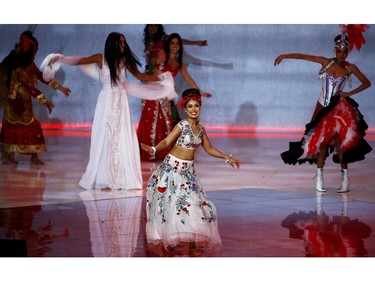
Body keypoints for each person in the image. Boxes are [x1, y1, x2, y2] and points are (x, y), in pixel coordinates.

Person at [41, 32, 177, 191]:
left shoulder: (124, 61)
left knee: (121, 137)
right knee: (105, 137)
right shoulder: (101, 58)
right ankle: (103, 178)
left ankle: (120, 177)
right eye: (120, 43)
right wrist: (60, 58)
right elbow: (79, 60)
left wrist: (161, 79)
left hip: (120, 101)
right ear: (112, 44)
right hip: (106, 101)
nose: (123, 46)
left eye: (124, 43)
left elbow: (140, 75)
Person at [140, 88, 240, 256]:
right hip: (171, 170)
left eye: (196, 106)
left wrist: (227, 157)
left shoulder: (200, 130)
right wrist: (154, 149)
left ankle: (192, 245)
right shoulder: (182, 125)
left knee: (193, 205)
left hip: (188, 173)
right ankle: (169, 239)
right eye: (190, 107)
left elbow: (209, 148)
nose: (193, 109)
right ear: (185, 109)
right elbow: (167, 141)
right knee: (171, 205)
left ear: (200, 107)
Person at [274, 24, 372, 193]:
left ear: (348, 52)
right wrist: (284, 55)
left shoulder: (350, 68)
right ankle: (319, 177)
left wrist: (348, 92)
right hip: (321, 106)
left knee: (342, 144)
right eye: (339, 51)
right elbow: (303, 56)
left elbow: (367, 82)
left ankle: (345, 178)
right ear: (334, 50)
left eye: (345, 52)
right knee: (321, 142)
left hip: (339, 108)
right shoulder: (325, 62)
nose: (341, 54)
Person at [137, 33, 212, 161]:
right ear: (168, 44)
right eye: (172, 43)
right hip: (155, 92)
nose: (175, 46)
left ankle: (161, 152)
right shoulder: (162, 55)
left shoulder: (178, 62)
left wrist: (200, 92)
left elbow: (188, 78)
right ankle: (149, 152)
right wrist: (149, 90)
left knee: (165, 121)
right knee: (152, 120)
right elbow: (155, 75)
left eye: (177, 44)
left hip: (165, 96)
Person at [0, 32, 71, 165]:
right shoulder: (19, 68)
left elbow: (43, 78)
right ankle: (8, 156)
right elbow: (28, 89)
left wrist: (61, 88)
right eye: (35, 50)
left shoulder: (30, 65)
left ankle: (31, 156)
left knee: (28, 127)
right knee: (22, 127)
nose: (36, 53)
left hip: (25, 102)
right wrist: (45, 102)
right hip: (15, 103)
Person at [143, 24, 208, 74]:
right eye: (150, 25)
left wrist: (194, 42)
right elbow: (150, 58)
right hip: (151, 70)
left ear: (159, 28)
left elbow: (178, 41)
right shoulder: (149, 40)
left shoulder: (162, 38)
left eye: (155, 26)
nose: (152, 28)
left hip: (159, 72)